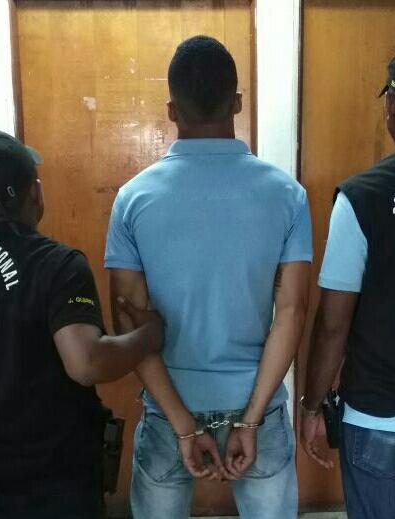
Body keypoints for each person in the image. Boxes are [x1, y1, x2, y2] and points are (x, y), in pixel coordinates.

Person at [105, 36, 312, 519]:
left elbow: (128, 323)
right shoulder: (287, 195)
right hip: (259, 407)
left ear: (172, 110)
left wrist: (183, 425)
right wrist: (251, 420)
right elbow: (292, 312)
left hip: (167, 409)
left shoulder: (133, 199)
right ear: (236, 103)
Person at [0, 129, 164, 519]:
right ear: (35, 193)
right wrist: (149, 334)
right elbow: (87, 362)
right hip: (55, 484)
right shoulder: (57, 266)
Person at [301, 41, 395, 519]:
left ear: (392, 105)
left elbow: (333, 323)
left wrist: (312, 404)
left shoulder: (362, 196)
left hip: (381, 418)